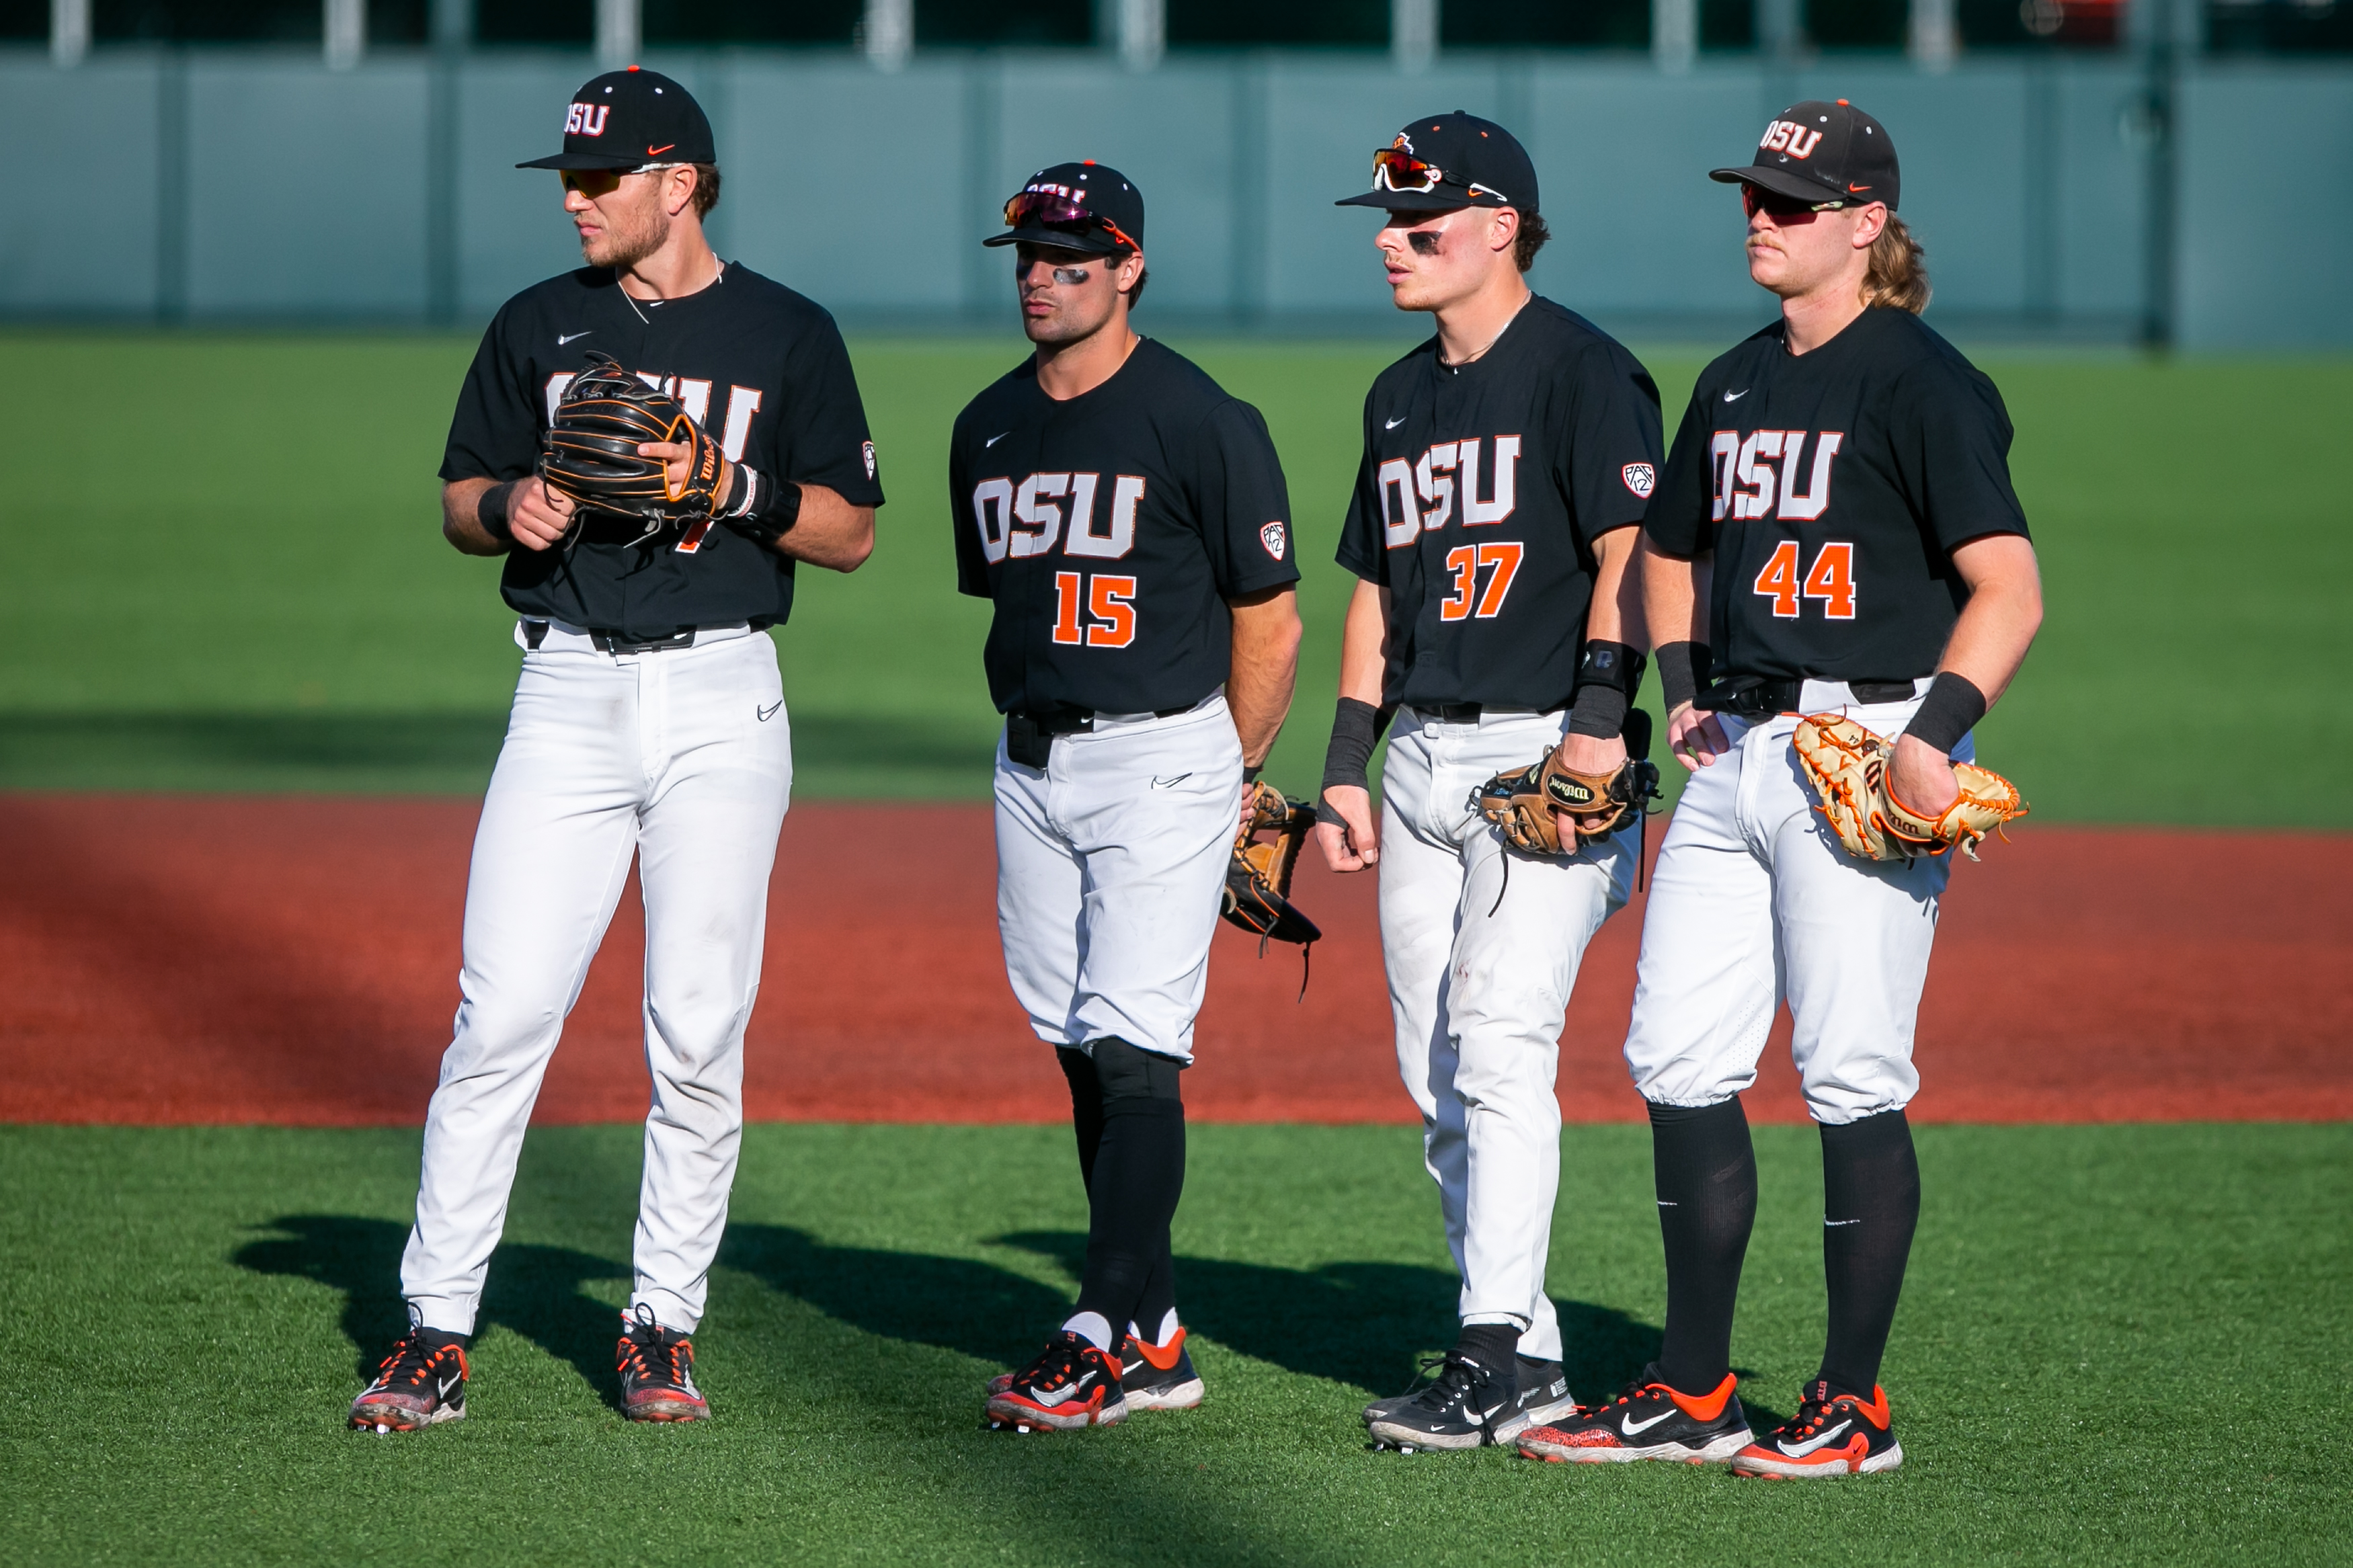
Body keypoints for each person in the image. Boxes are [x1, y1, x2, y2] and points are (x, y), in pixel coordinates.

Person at [348, 67, 883, 1430]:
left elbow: (852, 529)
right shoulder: (538, 323)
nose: (576, 200)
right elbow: (460, 496)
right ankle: (437, 1325)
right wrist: (506, 503)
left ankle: (660, 1323)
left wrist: (727, 485)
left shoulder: (788, 332)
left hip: (724, 697)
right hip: (566, 696)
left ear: (680, 184)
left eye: (600, 180)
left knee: (697, 1033)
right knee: (501, 1014)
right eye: (569, 180)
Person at [1516, 101, 2042, 1475]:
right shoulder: (1737, 378)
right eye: (1754, 195)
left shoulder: (1923, 384)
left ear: (1867, 225)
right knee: (1677, 1058)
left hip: (1870, 744)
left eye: (1793, 202)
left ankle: (1852, 1407)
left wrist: (1939, 729)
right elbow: (1665, 554)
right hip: (1738, 753)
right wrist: (1679, 681)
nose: (1762, 216)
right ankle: (1692, 1390)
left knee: (1849, 1071)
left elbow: (2008, 588)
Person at [1315, 113, 1665, 1450]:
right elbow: (1375, 593)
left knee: (1504, 1035)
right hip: (1415, 763)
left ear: (1500, 225)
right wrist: (1346, 764)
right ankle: (1525, 1351)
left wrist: (1596, 721)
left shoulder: (1583, 372)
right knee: (1437, 1069)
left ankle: (1492, 1362)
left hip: (1543, 753)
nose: (1394, 243)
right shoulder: (1397, 395)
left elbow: (1633, 555)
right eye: (1387, 225)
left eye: (1423, 222)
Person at [950, 163, 1303, 1432]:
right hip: (1032, 761)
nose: (1046, 276)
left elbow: (1271, 619)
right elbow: (1008, 605)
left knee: (1137, 1038)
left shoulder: (1202, 417)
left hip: (1166, 756)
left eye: (1074, 259)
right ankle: (1154, 1333)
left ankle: (1097, 1330)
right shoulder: (986, 425)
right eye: (1031, 257)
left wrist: (1237, 773)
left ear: (1130, 266)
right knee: (1075, 1035)